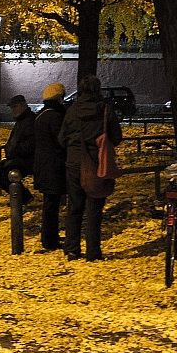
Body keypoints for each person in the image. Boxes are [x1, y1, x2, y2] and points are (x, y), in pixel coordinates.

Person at [59, 75, 121, 262]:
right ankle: (93, 252)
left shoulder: (72, 111)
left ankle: (72, 249)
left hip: (74, 162)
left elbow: (62, 138)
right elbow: (116, 137)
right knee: (94, 207)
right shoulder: (105, 110)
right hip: (96, 163)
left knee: (75, 206)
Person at [32, 82, 67, 252]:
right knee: (51, 205)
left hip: (43, 164)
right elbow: (61, 141)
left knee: (49, 203)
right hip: (53, 166)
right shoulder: (55, 117)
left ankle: (49, 237)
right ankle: (50, 239)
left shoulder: (41, 115)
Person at [0, 95, 36, 202]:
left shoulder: (30, 120)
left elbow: (31, 144)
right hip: (17, 158)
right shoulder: (21, 120)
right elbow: (13, 140)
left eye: (15, 107)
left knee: (5, 173)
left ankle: (24, 198)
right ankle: (24, 197)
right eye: (12, 108)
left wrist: (14, 150)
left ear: (23, 105)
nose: (13, 110)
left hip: (27, 160)